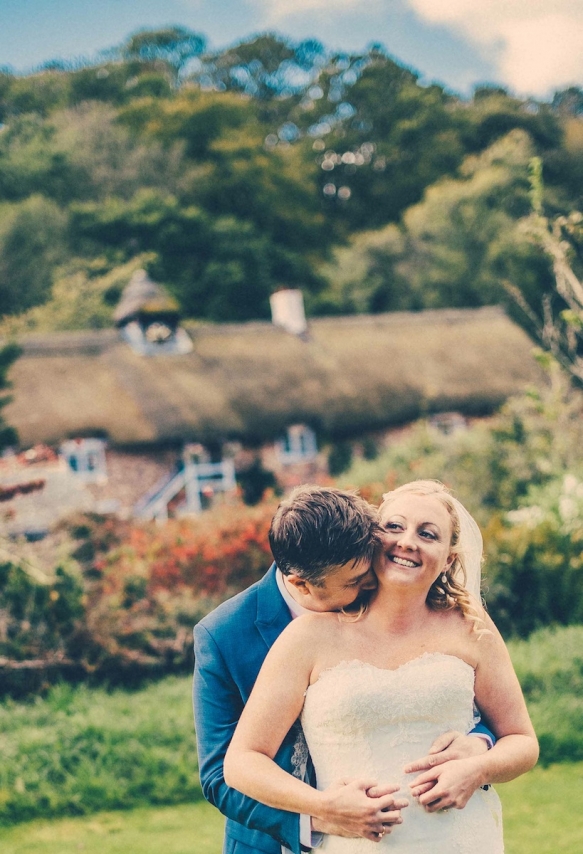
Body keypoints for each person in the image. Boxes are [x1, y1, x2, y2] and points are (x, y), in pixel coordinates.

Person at [224, 480, 539, 853]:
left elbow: (522, 741)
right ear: (372, 539)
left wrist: (479, 768)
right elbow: (242, 762)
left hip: (463, 839)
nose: (408, 541)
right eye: (394, 526)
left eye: (428, 534)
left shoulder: (471, 627)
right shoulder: (307, 637)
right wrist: (324, 806)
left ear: (449, 559)